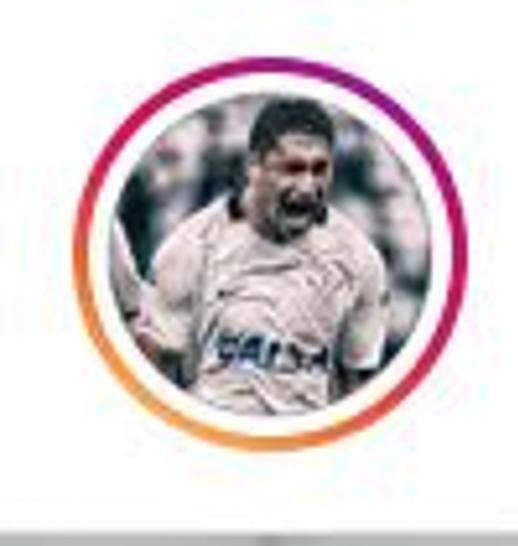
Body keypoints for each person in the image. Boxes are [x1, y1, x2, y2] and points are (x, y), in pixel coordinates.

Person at [124, 96, 396, 426]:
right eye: (293, 168)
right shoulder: (190, 248)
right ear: (254, 165)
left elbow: (362, 390)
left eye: (319, 169)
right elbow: (153, 377)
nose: (308, 186)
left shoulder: (359, 259)